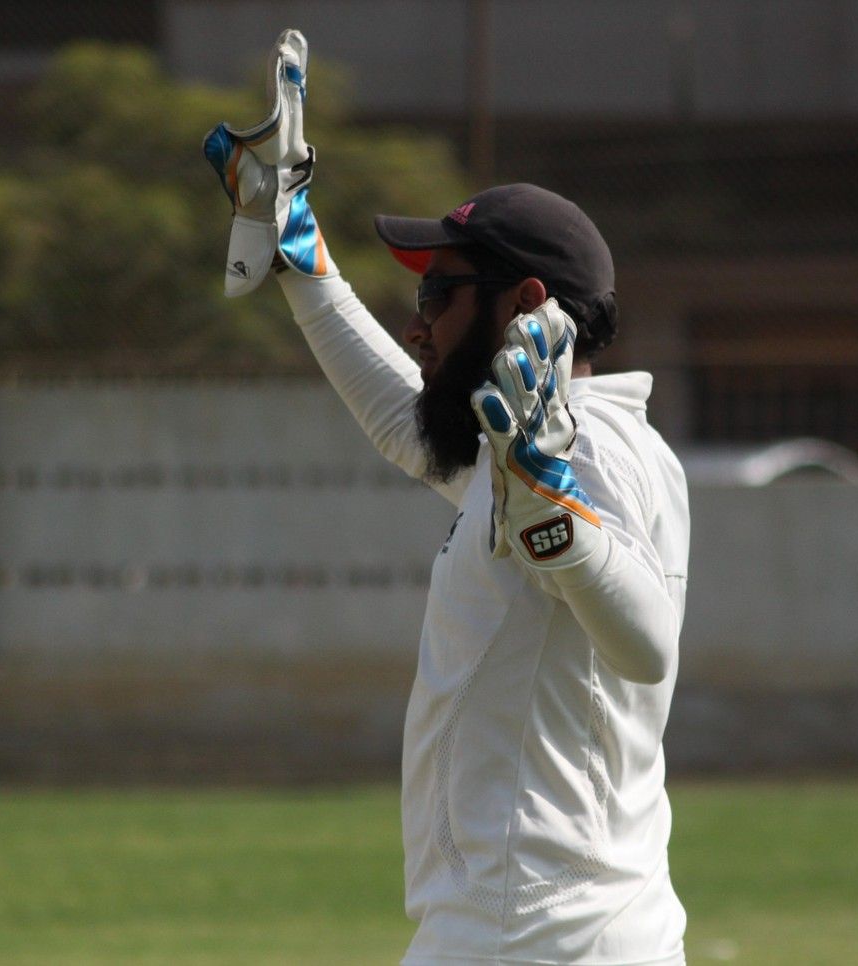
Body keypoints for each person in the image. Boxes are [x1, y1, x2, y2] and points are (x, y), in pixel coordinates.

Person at [205, 30, 690, 966]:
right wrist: (299, 253)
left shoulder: (579, 450)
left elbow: (645, 647)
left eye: (440, 296)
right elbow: (411, 427)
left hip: (535, 938)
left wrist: (554, 511)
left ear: (524, 304)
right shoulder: (539, 447)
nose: (417, 325)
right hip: (545, 931)